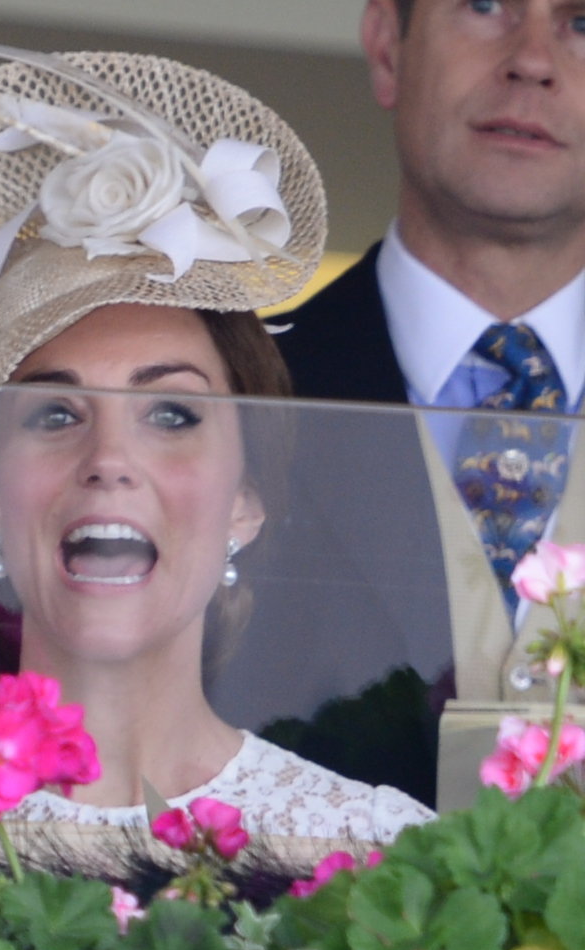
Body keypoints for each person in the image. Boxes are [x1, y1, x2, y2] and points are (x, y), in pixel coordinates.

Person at [0, 45, 433, 842]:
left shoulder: (372, 846)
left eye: (171, 414)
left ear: (247, 501)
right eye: (55, 414)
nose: (108, 461)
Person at [211, 0, 585, 808]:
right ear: (387, 47)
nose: (535, 59)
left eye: (584, 22)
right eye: (486, 5)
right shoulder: (230, 399)